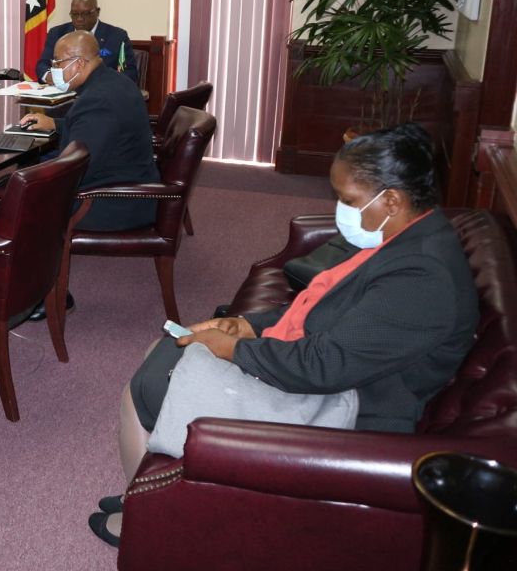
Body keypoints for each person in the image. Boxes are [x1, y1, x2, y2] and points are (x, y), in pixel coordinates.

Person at [87, 122, 479, 548]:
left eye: (348, 200)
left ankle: (146, 522)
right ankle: (150, 494)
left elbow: (325, 366)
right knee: (161, 352)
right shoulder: (404, 236)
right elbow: (325, 307)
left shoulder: (422, 278)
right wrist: (250, 325)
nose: (341, 210)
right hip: (334, 377)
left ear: (392, 200)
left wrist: (236, 349)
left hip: (347, 407)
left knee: (145, 387)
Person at [19, 31, 159, 320]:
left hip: (115, 200)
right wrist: (55, 124)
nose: (54, 70)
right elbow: (96, 131)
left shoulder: (97, 100)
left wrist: (29, 182)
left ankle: (44, 295)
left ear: (79, 63)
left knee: (27, 202)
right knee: (26, 188)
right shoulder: (114, 82)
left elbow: (75, 167)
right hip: (128, 180)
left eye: (58, 63)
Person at [34, 0, 138, 86]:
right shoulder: (57, 33)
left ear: (97, 12)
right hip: (64, 94)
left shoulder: (117, 36)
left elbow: (130, 73)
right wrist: (50, 77)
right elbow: (43, 64)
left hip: (101, 94)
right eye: (75, 14)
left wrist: (102, 83)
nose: (79, 19)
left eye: (85, 14)